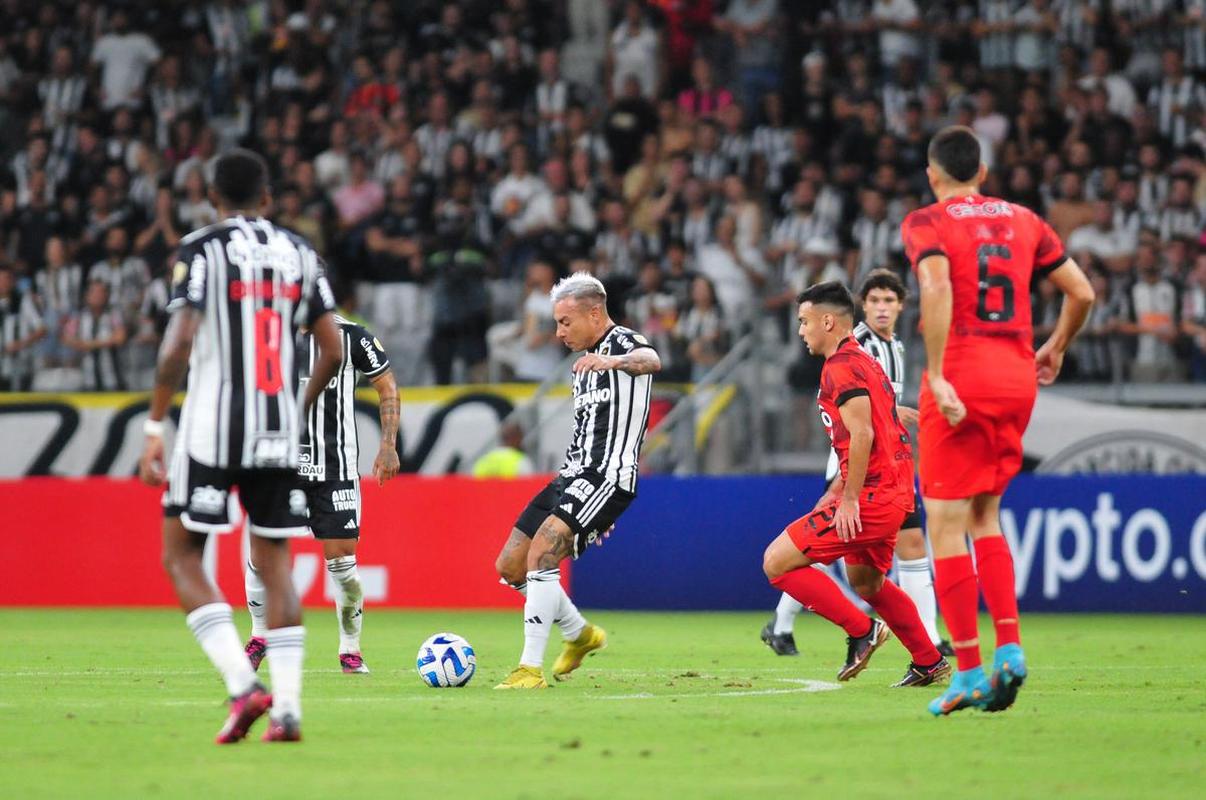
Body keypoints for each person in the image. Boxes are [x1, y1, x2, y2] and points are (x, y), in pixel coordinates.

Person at [137, 149, 342, 743]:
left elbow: (178, 343)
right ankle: (290, 711)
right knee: (275, 563)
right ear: (269, 198)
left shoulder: (201, 247)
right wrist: (293, 410)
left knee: (180, 555)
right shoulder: (301, 253)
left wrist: (154, 426)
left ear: (211, 197)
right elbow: (329, 347)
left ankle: (242, 685)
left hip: (210, 427)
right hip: (277, 431)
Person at [902, 126, 1094, 715]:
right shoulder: (1025, 219)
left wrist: (936, 374)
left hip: (961, 372)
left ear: (934, 176)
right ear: (982, 172)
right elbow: (1082, 293)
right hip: (1017, 377)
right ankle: (1009, 648)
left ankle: (966, 670)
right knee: (986, 511)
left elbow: (935, 285)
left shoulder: (927, 221)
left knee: (943, 521)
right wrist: (1056, 345)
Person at [762, 269, 954, 673]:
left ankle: (862, 630)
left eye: (804, 321)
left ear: (827, 322)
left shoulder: (841, 367)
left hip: (872, 495)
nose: (801, 331)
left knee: (776, 562)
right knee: (868, 583)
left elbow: (862, 432)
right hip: (895, 490)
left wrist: (847, 498)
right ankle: (928, 660)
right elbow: (879, 422)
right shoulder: (865, 360)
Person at [493, 273, 661, 689]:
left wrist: (613, 361)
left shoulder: (622, 345)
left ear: (594, 312)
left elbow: (652, 361)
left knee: (542, 553)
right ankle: (579, 633)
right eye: (557, 322)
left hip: (608, 476)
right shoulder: (580, 365)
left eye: (565, 322)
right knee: (510, 566)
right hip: (573, 475)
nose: (559, 332)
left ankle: (529, 669)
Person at [244, 316, 399, 675]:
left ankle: (350, 649)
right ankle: (260, 636)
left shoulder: (352, 336)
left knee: (343, 564)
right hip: (278, 464)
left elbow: (387, 386)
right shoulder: (267, 332)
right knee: (260, 552)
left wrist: (388, 444)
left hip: (335, 467)